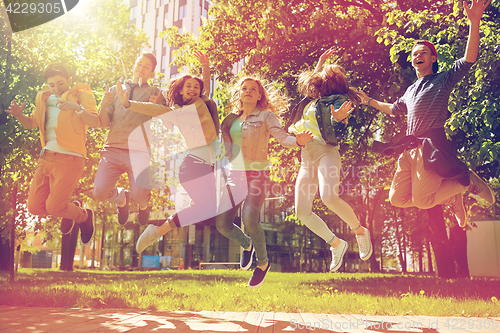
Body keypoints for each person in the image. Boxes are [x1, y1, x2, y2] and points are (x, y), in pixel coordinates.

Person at [358, 0, 495, 227]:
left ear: (433, 58)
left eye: (422, 53)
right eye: (413, 55)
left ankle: (464, 180)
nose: (417, 56)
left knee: (423, 201)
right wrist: (369, 101)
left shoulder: (443, 80)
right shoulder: (410, 90)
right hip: (409, 148)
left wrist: (475, 21)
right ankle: (452, 194)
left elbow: (469, 59)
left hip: (430, 146)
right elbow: (393, 109)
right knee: (397, 198)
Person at [115, 52, 219, 254]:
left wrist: (205, 66)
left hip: (208, 165)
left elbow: (204, 86)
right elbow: (152, 110)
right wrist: (128, 104)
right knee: (207, 208)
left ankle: (161, 228)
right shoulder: (176, 111)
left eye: (196, 87)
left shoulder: (203, 104)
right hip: (193, 166)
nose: (193, 89)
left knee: (209, 212)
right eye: (188, 86)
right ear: (180, 91)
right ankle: (157, 231)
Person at [217, 77, 313, 288]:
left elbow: (281, 137)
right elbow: (226, 151)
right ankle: (246, 243)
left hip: (258, 174)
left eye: (253, 89)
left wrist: (297, 141)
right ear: (239, 93)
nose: (249, 91)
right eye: (244, 88)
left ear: (260, 95)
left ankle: (262, 264)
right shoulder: (229, 120)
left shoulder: (266, 116)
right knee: (222, 225)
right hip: (234, 175)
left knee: (250, 215)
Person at [284, 52, 373, 273]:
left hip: (326, 151)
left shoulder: (339, 100)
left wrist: (338, 118)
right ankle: (336, 244)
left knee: (329, 197)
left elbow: (338, 124)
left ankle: (359, 231)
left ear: (337, 82)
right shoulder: (311, 100)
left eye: (331, 73)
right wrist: (321, 62)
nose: (325, 73)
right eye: (325, 72)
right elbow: (309, 81)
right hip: (307, 155)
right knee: (302, 212)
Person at [5, 64, 98, 244]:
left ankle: (84, 216)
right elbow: (32, 122)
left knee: (54, 207)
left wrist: (75, 107)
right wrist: (18, 115)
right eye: (51, 85)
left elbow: (95, 121)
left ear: (69, 81)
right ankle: (69, 209)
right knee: (34, 207)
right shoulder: (44, 97)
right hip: (46, 157)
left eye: (61, 83)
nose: (56, 88)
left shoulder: (81, 94)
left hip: (70, 159)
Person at [94, 52, 163, 226]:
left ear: (151, 74)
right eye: (139, 64)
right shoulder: (115, 89)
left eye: (146, 67)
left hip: (139, 152)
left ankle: (143, 205)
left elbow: (166, 118)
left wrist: (160, 105)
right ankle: (122, 199)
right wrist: (103, 105)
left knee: (140, 195)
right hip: (113, 149)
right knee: (100, 193)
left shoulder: (154, 92)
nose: (141, 68)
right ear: (133, 66)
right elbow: (104, 123)